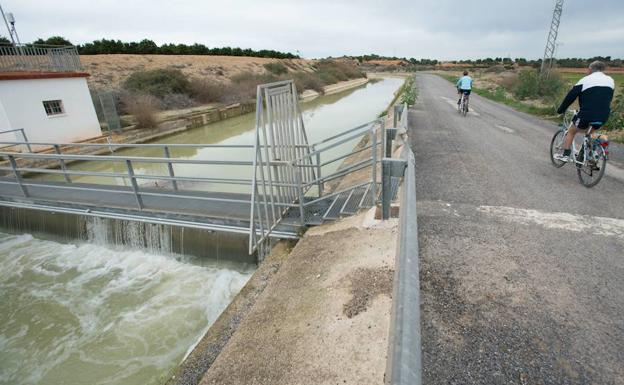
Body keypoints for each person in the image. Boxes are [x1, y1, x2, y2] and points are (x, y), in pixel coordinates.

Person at [556, 60, 615, 162]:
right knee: (590, 133)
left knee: (571, 131)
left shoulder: (585, 80)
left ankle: (565, 155)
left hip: (586, 114)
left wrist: (561, 110)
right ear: (603, 69)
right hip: (604, 115)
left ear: (590, 69)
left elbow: (570, 97)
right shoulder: (610, 80)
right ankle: (593, 153)